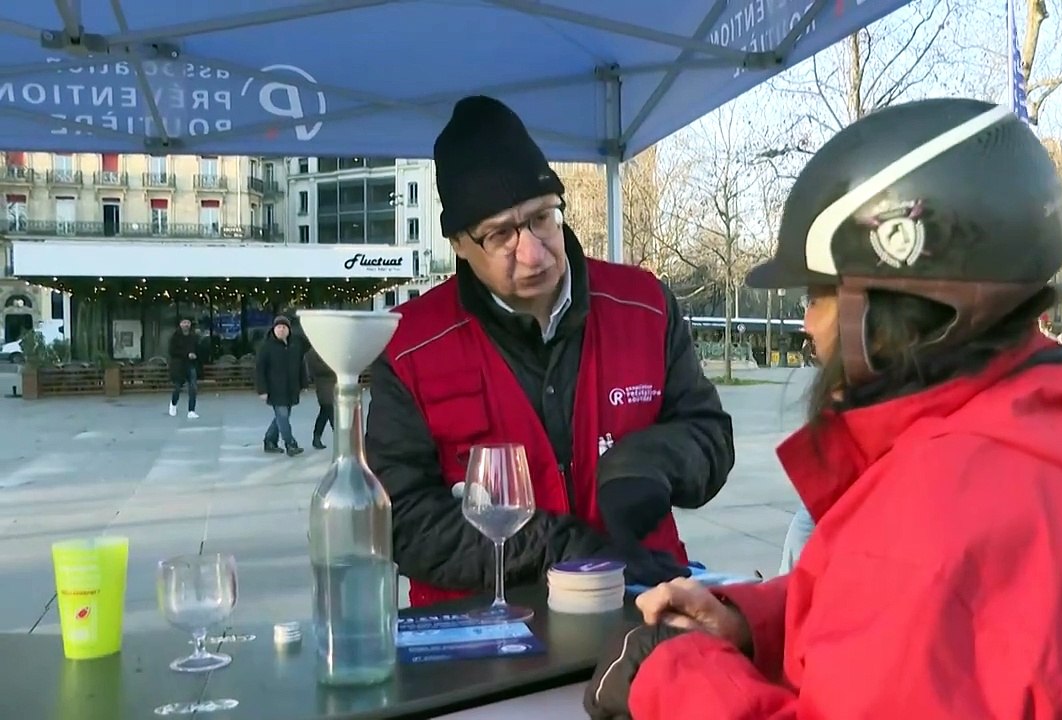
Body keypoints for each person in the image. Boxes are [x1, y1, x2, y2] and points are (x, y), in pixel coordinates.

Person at [584, 98, 1062, 719]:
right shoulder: (1032, 430)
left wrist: (671, 676)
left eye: (818, 295)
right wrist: (752, 622)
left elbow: (917, 587)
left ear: (893, 311)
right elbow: (915, 625)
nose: (807, 322)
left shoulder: (933, 513)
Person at [366, 96, 735, 608]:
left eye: (543, 217)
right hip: (487, 631)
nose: (535, 252)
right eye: (500, 234)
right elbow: (399, 518)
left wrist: (654, 461)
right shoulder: (409, 345)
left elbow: (711, 435)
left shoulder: (644, 305)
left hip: (646, 605)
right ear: (458, 242)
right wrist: (554, 549)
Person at [255, 315, 307, 457]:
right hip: (275, 389)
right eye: (278, 327)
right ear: (274, 329)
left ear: (289, 329)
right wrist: (262, 390)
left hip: (291, 388)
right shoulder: (266, 346)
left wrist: (303, 383)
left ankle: (269, 441)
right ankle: (290, 444)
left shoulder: (295, 345)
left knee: (281, 417)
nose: (281, 330)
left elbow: (301, 365)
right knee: (283, 416)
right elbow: (260, 370)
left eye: (284, 327)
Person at [167, 317, 200, 419]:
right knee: (177, 387)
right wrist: (187, 354)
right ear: (180, 324)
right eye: (184, 322)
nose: (186, 325)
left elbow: (198, 349)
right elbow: (172, 351)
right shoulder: (175, 337)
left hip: (191, 365)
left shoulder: (194, 336)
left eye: (188, 323)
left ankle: (191, 410)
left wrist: (196, 356)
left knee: (193, 388)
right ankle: (173, 404)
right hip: (178, 365)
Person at [304, 347, 336, 450]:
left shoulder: (327, 350)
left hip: (332, 385)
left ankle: (317, 437)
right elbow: (317, 369)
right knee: (330, 412)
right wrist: (333, 367)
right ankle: (340, 438)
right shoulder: (313, 352)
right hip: (324, 386)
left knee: (325, 413)